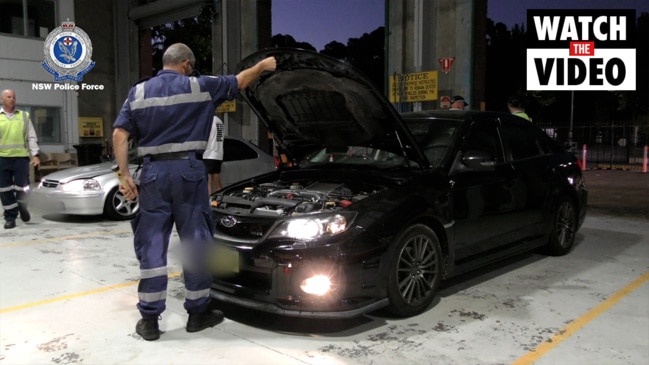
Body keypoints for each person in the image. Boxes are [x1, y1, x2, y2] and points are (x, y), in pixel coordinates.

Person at [112, 43, 276, 341]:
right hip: (188, 173)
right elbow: (240, 80)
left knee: (152, 246)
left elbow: (119, 133)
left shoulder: (137, 93)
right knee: (196, 243)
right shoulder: (200, 86)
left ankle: (149, 321)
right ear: (186, 64)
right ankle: (198, 314)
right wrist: (263, 66)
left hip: (152, 174)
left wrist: (123, 175)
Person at [0, 89, 40, 229]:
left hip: (21, 158)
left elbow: (31, 136)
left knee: (22, 187)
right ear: (2, 99)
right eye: (9, 97)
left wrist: (35, 154)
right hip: (2, 158)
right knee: (5, 190)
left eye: (14, 97)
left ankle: (22, 207)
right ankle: (10, 217)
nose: (12, 99)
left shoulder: (24, 116)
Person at [204, 115, 224, 195]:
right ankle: (221, 199)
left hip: (209, 153)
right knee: (217, 180)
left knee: (208, 182)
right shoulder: (219, 120)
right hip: (218, 153)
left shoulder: (208, 120)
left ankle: (209, 201)